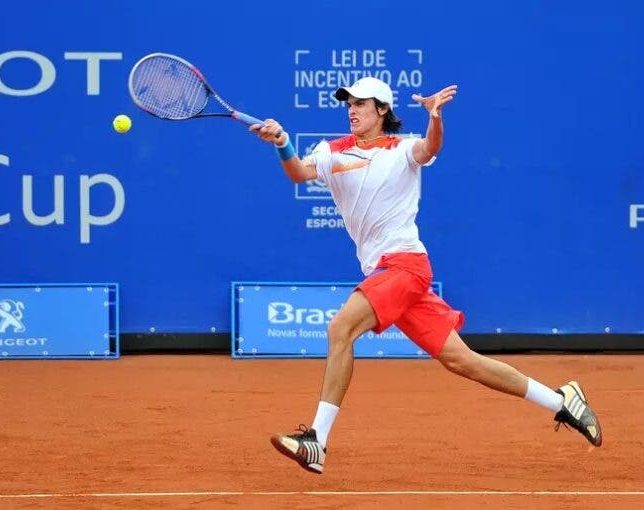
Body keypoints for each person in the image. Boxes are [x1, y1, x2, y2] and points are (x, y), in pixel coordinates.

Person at [250, 77, 602, 474]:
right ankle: (562, 401)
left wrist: (435, 117)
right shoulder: (332, 152)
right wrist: (282, 142)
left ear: (382, 110)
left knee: (340, 328)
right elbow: (299, 172)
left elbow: (430, 146)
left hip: (404, 265)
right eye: (347, 102)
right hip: (388, 272)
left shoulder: (402, 150)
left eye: (361, 103)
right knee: (463, 361)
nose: (351, 109)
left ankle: (317, 440)